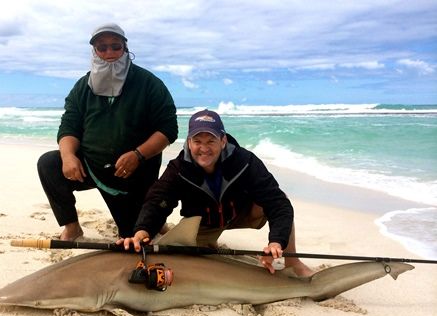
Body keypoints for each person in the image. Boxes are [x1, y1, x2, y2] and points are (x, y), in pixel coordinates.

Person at [120, 109, 313, 277]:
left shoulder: (245, 161)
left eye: (210, 141)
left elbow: (277, 203)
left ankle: (293, 263)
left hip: (242, 214)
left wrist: (276, 242)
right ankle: (201, 242)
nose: (204, 148)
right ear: (188, 142)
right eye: (197, 141)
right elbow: (157, 201)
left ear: (223, 141)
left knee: (280, 199)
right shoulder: (178, 169)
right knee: (179, 255)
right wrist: (141, 232)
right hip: (205, 224)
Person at [38, 23, 178, 240]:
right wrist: (67, 157)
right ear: (94, 51)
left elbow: (168, 129)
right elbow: (69, 126)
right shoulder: (82, 86)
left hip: (133, 175)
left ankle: (155, 220)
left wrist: (138, 155)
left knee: (132, 237)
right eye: (102, 48)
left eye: (115, 46)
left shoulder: (149, 83)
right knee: (49, 164)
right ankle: (72, 227)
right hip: (92, 168)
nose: (109, 53)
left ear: (125, 48)